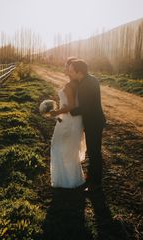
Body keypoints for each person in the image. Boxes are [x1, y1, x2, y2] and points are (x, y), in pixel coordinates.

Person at [68, 59, 106, 192]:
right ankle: (92, 179)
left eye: (72, 71)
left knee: (94, 152)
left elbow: (86, 108)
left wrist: (71, 110)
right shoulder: (92, 80)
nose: (70, 73)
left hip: (93, 122)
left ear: (79, 72)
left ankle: (95, 183)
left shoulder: (84, 85)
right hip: (96, 120)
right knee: (94, 151)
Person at [49, 58, 86, 189]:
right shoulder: (76, 84)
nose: (66, 69)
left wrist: (56, 112)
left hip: (69, 119)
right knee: (69, 149)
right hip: (72, 119)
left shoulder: (70, 86)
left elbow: (70, 106)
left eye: (68, 68)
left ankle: (65, 181)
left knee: (58, 146)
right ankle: (72, 179)